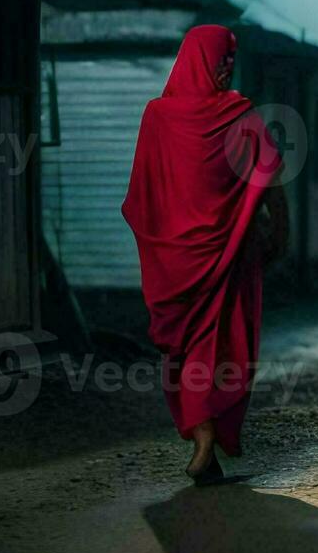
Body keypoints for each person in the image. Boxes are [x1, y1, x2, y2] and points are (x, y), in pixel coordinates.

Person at [122, 25, 289, 484]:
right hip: (199, 256)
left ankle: (205, 443)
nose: (227, 67)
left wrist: (276, 227)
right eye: (220, 58)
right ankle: (205, 440)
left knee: (210, 347)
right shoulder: (174, 116)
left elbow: (268, 172)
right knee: (206, 349)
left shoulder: (226, 113)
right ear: (199, 59)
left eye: (232, 59)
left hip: (216, 254)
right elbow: (144, 191)